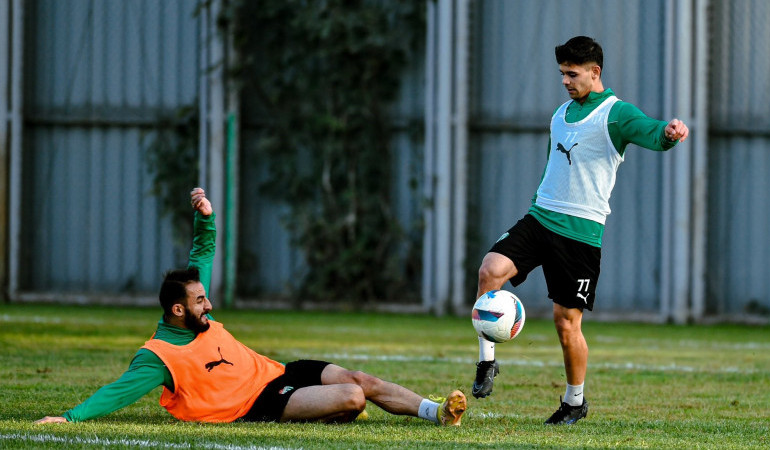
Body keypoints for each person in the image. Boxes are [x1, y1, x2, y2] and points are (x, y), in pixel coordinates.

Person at [36, 188, 466, 426]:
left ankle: (435, 412)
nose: (210, 303)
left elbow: (202, 249)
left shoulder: (195, 306)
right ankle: (324, 410)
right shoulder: (158, 356)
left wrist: (205, 216)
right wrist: (69, 418)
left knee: (358, 378)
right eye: (201, 301)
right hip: (256, 403)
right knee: (353, 397)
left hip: (278, 372)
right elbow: (117, 392)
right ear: (178, 311)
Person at [470, 36, 689, 425]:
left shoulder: (615, 113)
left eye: (572, 74)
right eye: (562, 74)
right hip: (540, 218)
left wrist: (669, 134)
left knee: (565, 323)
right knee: (490, 270)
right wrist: (536, 204)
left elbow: (650, 131)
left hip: (580, 234)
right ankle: (487, 363)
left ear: (595, 72)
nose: (566, 81)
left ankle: (574, 402)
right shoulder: (559, 115)